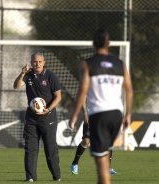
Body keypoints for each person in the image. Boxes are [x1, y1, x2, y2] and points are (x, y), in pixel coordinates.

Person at [69, 29, 133, 184]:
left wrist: (75, 114)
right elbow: (129, 90)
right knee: (103, 152)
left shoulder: (88, 64)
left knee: (101, 164)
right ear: (109, 43)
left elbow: (83, 90)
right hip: (116, 115)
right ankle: (77, 164)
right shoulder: (120, 64)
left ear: (93, 44)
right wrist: (128, 115)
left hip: (99, 115)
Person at [13, 53, 62, 182]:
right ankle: (30, 177)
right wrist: (22, 73)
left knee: (50, 149)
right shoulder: (28, 75)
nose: (37, 64)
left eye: (40, 61)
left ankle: (56, 176)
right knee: (30, 149)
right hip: (31, 119)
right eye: (35, 62)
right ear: (31, 62)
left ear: (44, 62)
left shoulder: (51, 76)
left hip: (48, 118)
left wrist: (48, 109)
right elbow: (16, 86)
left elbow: (58, 96)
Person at [70, 104, 117, 175]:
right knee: (86, 141)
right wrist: (85, 112)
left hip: (104, 117)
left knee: (108, 142)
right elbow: (82, 98)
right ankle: (75, 163)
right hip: (91, 116)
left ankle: (108, 168)